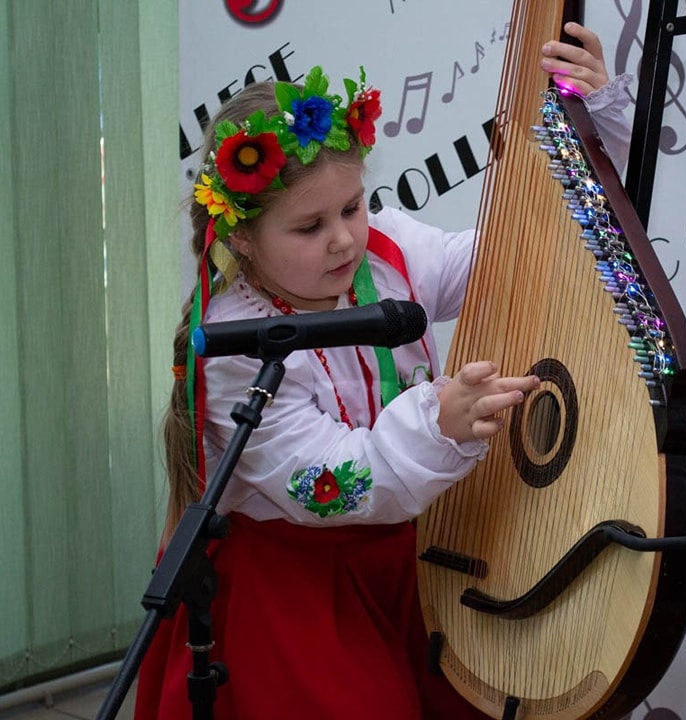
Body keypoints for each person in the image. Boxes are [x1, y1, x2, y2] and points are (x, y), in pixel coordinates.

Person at [135, 22, 634, 720]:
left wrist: (594, 120)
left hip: (413, 565)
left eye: (352, 206)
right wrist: (440, 421)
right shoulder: (231, 344)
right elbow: (329, 485)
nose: (342, 237)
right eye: (309, 228)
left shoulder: (390, 253)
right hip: (294, 590)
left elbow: (527, 244)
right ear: (242, 237)